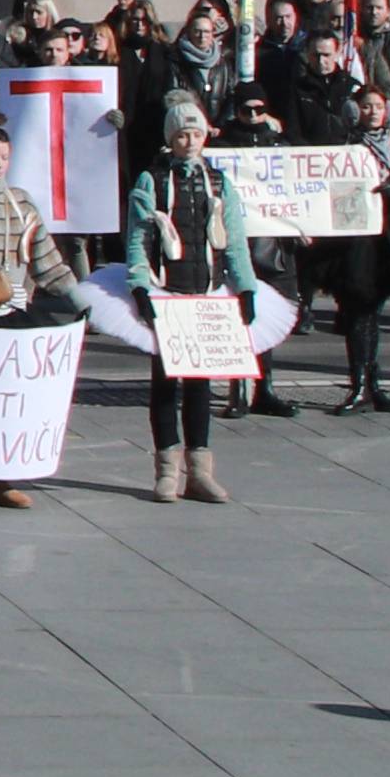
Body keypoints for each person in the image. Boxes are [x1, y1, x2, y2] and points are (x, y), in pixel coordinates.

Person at [119, 111, 243, 509]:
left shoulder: (219, 182)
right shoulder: (152, 180)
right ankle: (167, 469)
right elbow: (139, 235)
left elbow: (235, 239)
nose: (189, 141)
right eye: (182, 135)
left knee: (200, 383)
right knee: (165, 382)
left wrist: (247, 288)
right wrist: (139, 285)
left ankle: (200, 469)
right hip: (166, 290)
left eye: (196, 134)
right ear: (170, 138)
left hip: (206, 291)